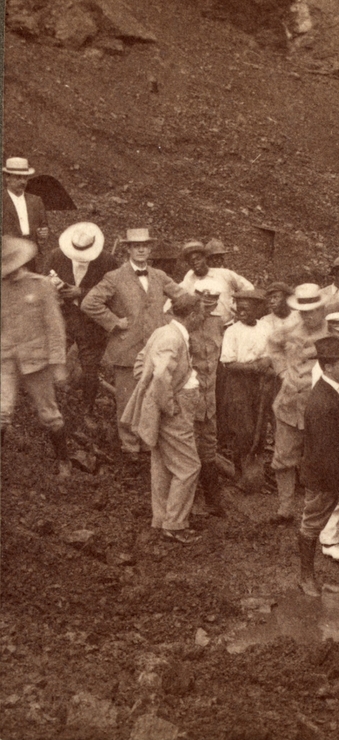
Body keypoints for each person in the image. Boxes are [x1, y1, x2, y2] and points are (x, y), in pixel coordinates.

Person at [81, 227, 182, 458]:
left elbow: (182, 298)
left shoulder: (159, 276)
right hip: (126, 348)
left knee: (151, 395)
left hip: (155, 349)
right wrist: (115, 322)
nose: (141, 250)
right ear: (128, 249)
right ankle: (129, 446)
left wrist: (169, 320)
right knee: (127, 398)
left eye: (145, 246)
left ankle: (147, 442)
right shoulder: (115, 277)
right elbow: (89, 303)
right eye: (137, 246)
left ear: (150, 249)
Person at [121, 293, 206, 544]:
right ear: (191, 315)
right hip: (175, 409)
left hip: (171, 404)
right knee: (189, 467)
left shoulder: (164, 332)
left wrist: (147, 388)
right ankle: (175, 525)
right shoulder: (171, 337)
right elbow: (159, 375)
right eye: (201, 312)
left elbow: (141, 362)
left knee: (161, 466)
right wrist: (168, 404)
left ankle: (161, 519)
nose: (204, 316)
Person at [297, 336, 339, 597]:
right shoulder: (323, 402)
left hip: (336, 474)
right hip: (324, 477)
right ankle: (305, 576)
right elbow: (326, 453)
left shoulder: (336, 388)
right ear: (327, 367)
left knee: (316, 522)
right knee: (312, 524)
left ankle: (307, 574)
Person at [1, 236, 71, 477]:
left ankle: (64, 461)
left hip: (37, 361)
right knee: (1, 411)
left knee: (49, 413)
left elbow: (55, 327)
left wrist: (58, 363)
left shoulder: (41, 285)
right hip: (6, 358)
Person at [266, 284, 329, 524]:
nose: (309, 316)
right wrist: (282, 372)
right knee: (283, 457)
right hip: (289, 405)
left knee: (319, 459)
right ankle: (284, 509)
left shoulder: (335, 331)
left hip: (321, 408)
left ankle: (315, 511)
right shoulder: (289, 330)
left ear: (322, 308)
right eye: (304, 311)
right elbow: (273, 346)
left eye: (313, 310)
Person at [44, 222, 117, 425]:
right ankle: (48, 405)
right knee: (51, 357)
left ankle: (88, 409)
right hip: (62, 315)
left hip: (91, 322)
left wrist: (82, 292)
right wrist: (54, 290)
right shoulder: (56, 256)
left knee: (90, 367)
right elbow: (42, 283)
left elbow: (115, 294)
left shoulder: (109, 262)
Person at [218, 288, 272, 481]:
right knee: (244, 429)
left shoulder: (266, 328)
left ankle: (256, 469)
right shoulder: (232, 331)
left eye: (246, 309)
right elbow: (229, 363)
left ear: (258, 310)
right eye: (239, 309)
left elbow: (270, 354)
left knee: (259, 426)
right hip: (238, 382)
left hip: (261, 382)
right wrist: (254, 366)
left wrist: (265, 362)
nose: (241, 313)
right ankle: (240, 470)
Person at [189, 279, 226, 517]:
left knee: (209, 451)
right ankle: (189, 505)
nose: (209, 305)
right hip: (188, 400)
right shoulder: (179, 324)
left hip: (209, 401)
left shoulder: (218, 323)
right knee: (187, 453)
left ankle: (214, 502)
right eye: (204, 300)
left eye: (213, 301)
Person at [178, 239, 252, 324]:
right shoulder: (189, 278)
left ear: (204, 258)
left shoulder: (225, 274)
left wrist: (239, 307)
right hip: (203, 326)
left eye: (198, 258)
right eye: (191, 261)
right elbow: (177, 296)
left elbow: (248, 289)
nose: (195, 262)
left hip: (228, 324)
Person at [2, 157, 49, 270]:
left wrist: (43, 233)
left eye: (25, 177)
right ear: (7, 178)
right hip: (7, 259)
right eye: (18, 178)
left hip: (31, 258)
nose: (23, 181)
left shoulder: (36, 201)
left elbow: (44, 227)